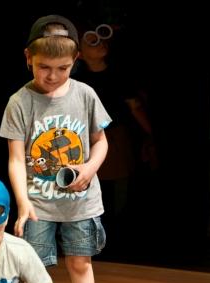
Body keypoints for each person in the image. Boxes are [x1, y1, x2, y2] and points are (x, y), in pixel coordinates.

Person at [0, 15, 110, 283]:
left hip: (80, 202)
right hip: (38, 203)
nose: (52, 75)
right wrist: (23, 203)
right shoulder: (20, 101)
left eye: (62, 68)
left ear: (75, 60)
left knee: (80, 263)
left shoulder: (85, 94)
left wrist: (89, 168)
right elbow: (16, 159)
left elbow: (101, 141)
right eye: (44, 67)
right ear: (28, 58)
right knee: (33, 268)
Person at [74, 23, 155, 252]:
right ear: (80, 52)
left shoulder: (119, 74)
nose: (100, 43)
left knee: (119, 189)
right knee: (94, 190)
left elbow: (135, 106)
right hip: (86, 140)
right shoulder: (77, 80)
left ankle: (117, 240)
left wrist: (151, 135)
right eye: (92, 41)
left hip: (116, 138)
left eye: (101, 39)